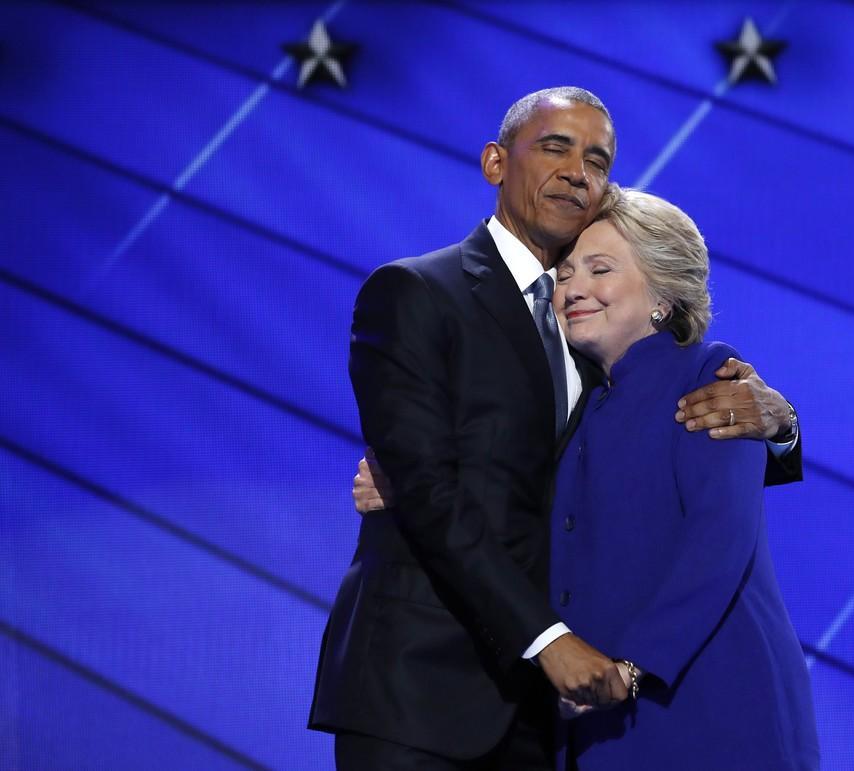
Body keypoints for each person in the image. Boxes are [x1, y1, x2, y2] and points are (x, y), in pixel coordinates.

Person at [310, 86, 803, 770]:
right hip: (424, 691)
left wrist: (781, 421)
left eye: (597, 159)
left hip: (562, 714)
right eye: (554, 147)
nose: (578, 169)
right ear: (494, 163)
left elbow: (674, 456)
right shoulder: (416, 293)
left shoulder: (600, 341)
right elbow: (427, 482)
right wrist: (547, 638)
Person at [549, 188, 819, 769]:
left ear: (663, 298)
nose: (573, 288)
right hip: (602, 722)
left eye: (600, 269)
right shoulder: (579, 401)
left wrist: (631, 665)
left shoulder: (709, 376)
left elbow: (719, 539)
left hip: (709, 708)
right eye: (565, 272)